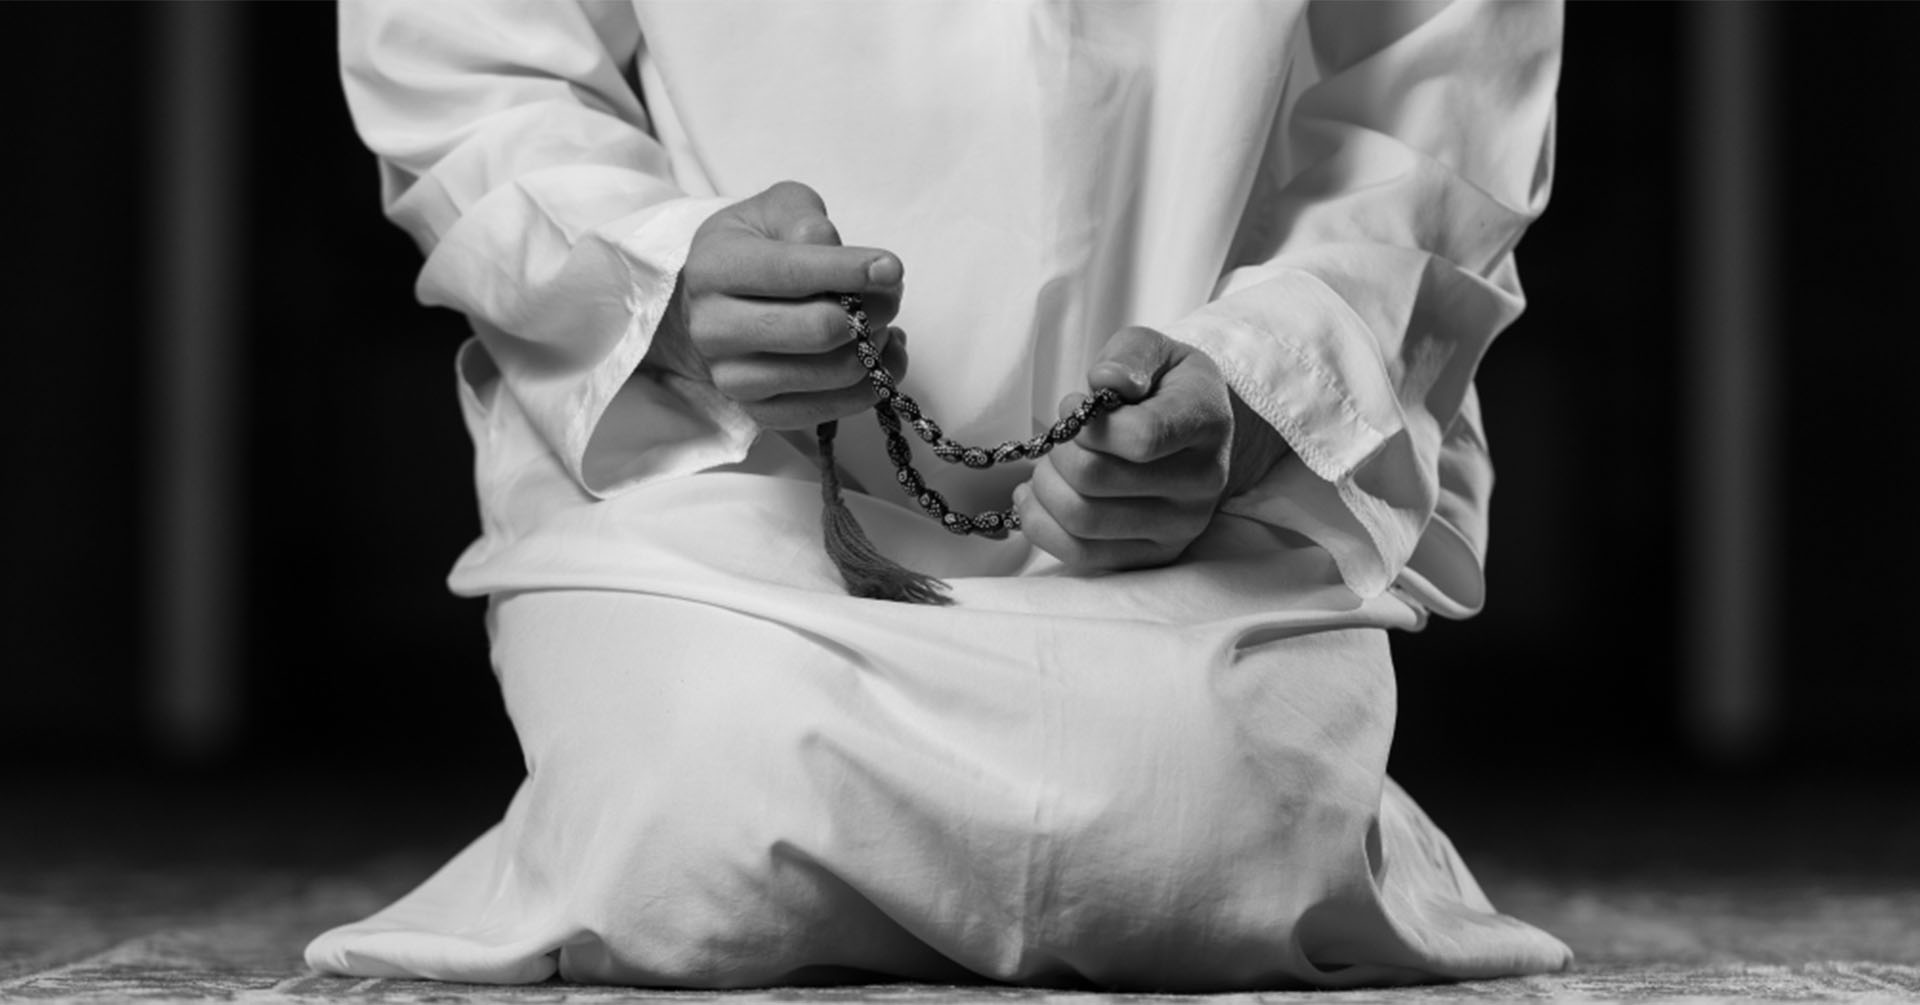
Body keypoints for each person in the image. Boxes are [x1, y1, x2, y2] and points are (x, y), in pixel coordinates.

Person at [310, 0, 1569, 990]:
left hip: (1204, 497)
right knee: (695, 804)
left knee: (1200, 815)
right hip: (728, 479)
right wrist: (664, 276)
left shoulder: (1240, 416)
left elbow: (1438, 98)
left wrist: (1256, 390)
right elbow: (470, 57)